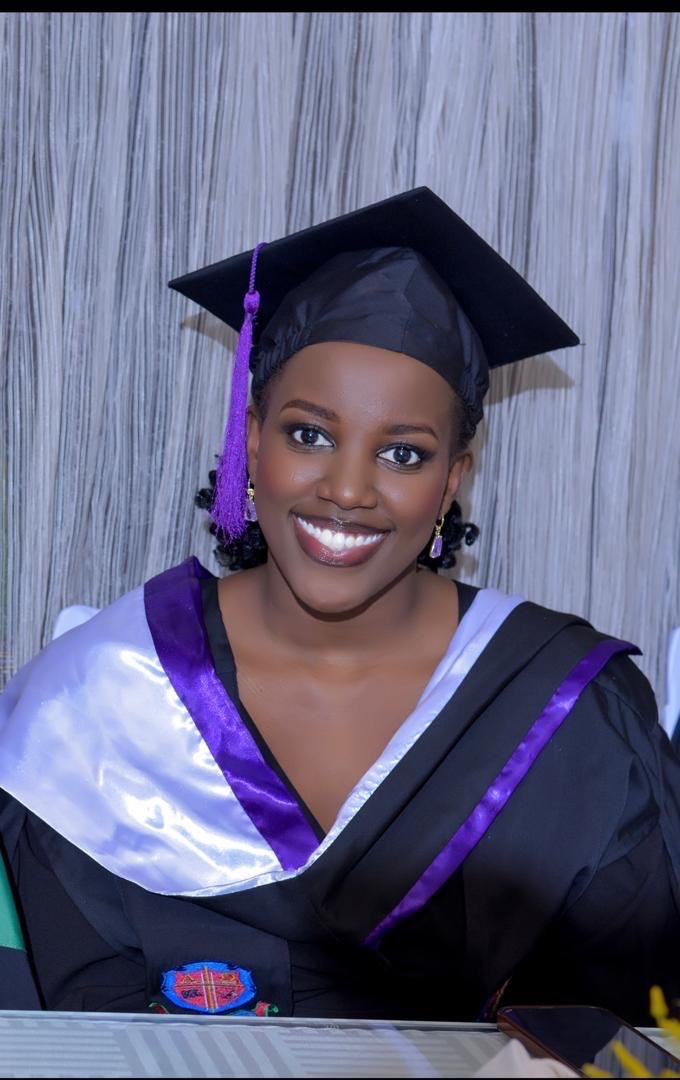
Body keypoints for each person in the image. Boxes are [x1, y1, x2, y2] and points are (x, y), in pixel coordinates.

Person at [1, 188, 679, 1022]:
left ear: (452, 481)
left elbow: (631, 1035)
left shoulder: (573, 720)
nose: (349, 489)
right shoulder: (91, 713)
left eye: (403, 452)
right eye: (309, 434)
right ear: (249, 438)